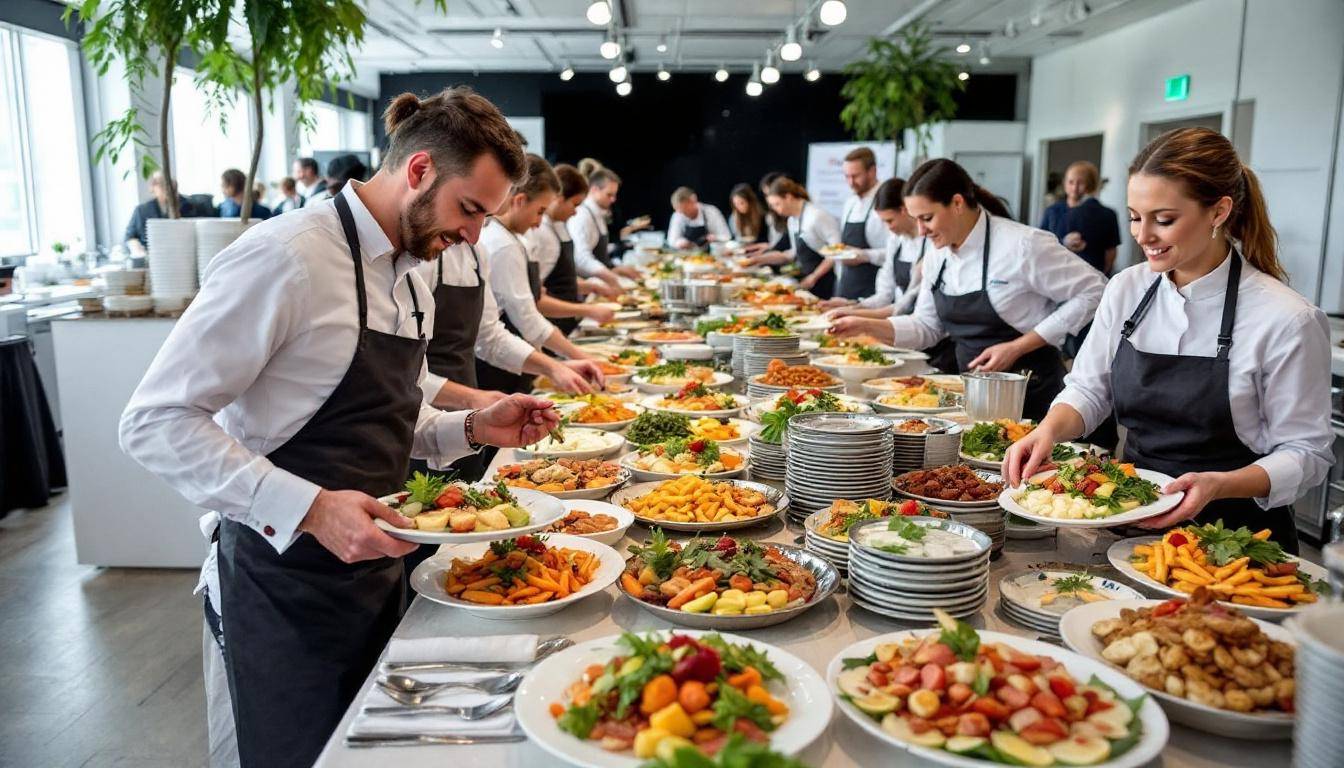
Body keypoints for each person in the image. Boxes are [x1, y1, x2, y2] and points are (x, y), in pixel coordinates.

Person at [118, 86, 557, 768]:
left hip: (378, 573)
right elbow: (155, 420)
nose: (475, 236)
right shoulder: (288, 255)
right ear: (418, 170)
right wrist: (313, 509)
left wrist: (473, 427)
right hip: (281, 587)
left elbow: (392, 409)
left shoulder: (413, 272)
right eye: (470, 210)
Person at [1004, 128, 1334, 552]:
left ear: (1219, 212)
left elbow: (1306, 453)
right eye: (1134, 217)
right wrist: (1048, 432)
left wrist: (1220, 485)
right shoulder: (1126, 289)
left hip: (1236, 541)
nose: (1143, 236)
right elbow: (1089, 389)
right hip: (1130, 523)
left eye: (1163, 220)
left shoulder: (1287, 318)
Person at [828, 158, 1107, 419]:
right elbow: (926, 327)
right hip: (972, 394)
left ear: (957, 203)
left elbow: (1095, 289)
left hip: (1032, 394)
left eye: (927, 218)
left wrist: (1017, 347)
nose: (921, 231)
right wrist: (864, 325)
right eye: (916, 220)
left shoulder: (1022, 245)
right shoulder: (937, 254)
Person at [478, 154, 605, 394]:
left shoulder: (511, 239)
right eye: (540, 211)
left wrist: (561, 363)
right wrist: (571, 359)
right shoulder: (502, 245)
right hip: (499, 369)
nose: (539, 223)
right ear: (520, 200)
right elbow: (526, 318)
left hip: (515, 357)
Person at [529, 163, 619, 336]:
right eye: (575, 205)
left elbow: (561, 280)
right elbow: (536, 298)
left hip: (564, 323)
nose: (576, 213)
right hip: (550, 326)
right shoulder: (542, 234)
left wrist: (593, 287)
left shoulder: (557, 226)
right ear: (559, 199)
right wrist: (587, 309)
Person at [825, 177, 925, 316]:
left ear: (904, 210)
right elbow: (885, 294)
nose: (888, 228)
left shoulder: (929, 243)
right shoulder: (895, 241)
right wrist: (855, 305)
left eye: (890, 221)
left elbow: (908, 301)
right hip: (898, 318)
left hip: (916, 320)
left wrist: (855, 313)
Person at [745, 177, 842, 299]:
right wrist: (758, 259)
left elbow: (836, 252)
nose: (776, 210)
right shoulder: (792, 220)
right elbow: (792, 254)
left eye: (777, 204)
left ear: (788, 197)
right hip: (807, 281)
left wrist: (814, 276)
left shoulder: (817, 216)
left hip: (826, 282)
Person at [1040, 161, 1122, 276]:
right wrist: (1063, 243)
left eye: (1081, 183)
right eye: (1071, 182)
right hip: (1056, 275)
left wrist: (1101, 276)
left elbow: (1111, 251)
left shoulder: (1107, 214)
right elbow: (1041, 243)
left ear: (1090, 185)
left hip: (1092, 275)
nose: (1075, 187)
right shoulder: (1052, 211)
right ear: (1064, 183)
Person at [568, 167, 643, 290]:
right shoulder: (582, 216)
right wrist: (610, 276)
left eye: (614, 195)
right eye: (609, 195)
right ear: (594, 190)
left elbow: (601, 255)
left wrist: (616, 269)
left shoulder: (598, 213)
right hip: (589, 286)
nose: (613, 199)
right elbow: (581, 259)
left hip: (601, 282)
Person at [832, 147, 889, 300]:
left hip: (873, 291)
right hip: (846, 286)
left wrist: (865, 256)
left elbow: (895, 253)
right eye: (847, 176)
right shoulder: (850, 203)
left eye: (855, 176)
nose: (851, 182)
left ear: (872, 171)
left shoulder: (886, 201)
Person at [123, 171, 193, 255]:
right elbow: (130, 237)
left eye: (169, 184)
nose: (166, 188)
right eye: (161, 184)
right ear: (152, 188)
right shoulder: (142, 211)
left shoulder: (190, 206)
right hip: (151, 257)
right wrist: (137, 249)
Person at [666, 186, 731, 249]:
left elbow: (727, 236)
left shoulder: (711, 212)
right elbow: (671, 240)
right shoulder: (677, 215)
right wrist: (680, 243)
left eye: (685, 209)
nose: (683, 214)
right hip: (686, 254)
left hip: (710, 252)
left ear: (694, 200)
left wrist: (715, 238)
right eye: (680, 211)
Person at [727, 183, 769, 251]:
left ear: (749, 201)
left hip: (760, 250)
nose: (738, 207)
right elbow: (735, 238)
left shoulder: (763, 216)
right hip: (742, 250)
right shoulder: (734, 217)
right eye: (736, 204)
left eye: (741, 203)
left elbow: (766, 240)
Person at [758, 171, 791, 254]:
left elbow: (786, 244)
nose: (768, 199)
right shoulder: (771, 216)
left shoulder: (791, 216)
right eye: (766, 195)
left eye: (770, 194)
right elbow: (773, 242)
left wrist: (767, 252)